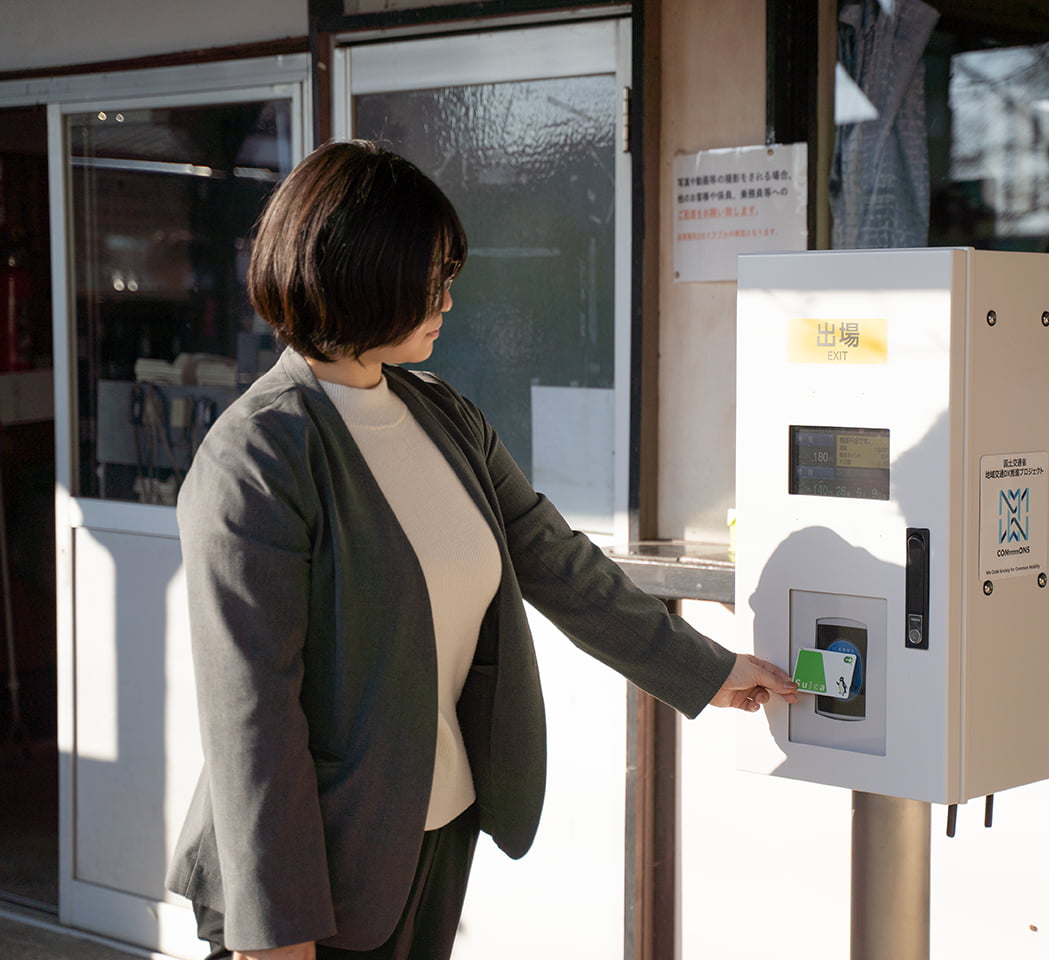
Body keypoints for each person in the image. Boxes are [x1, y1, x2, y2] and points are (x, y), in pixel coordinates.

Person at [165, 139, 797, 960]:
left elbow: (560, 564)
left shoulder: (443, 416)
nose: (449, 300)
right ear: (366, 275)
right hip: (312, 872)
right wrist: (277, 932)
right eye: (431, 279)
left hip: (434, 837)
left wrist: (708, 670)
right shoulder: (257, 455)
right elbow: (251, 715)